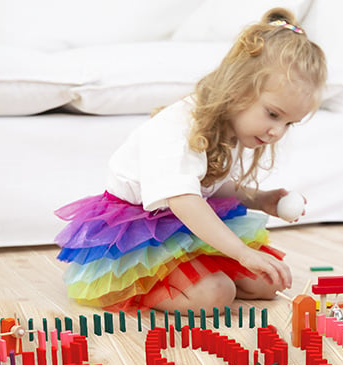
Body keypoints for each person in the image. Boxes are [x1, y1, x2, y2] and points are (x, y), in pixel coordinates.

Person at [54, 8, 325, 314]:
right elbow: (185, 200)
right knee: (216, 293)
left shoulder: (232, 125)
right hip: (137, 232)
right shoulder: (179, 129)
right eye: (274, 114)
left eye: (289, 123)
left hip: (183, 223)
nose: (277, 131)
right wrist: (240, 253)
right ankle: (134, 288)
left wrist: (260, 199)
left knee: (267, 283)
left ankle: (201, 274)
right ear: (237, 88)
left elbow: (209, 185)